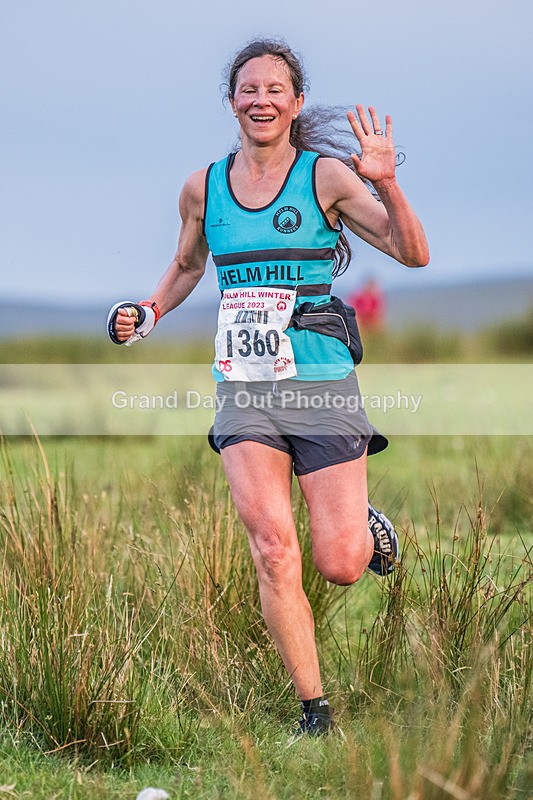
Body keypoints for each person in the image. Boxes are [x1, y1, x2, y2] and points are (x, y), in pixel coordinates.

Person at [107, 39, 429, 739]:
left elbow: (412, 253)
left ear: (295, 103)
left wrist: (385, 183)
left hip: (320, 380)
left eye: (274, 89)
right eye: (247, 89)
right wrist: (152, 309)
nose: (260, 100)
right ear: (232, 102)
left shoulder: (328, 177)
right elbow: (187, 263)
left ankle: (360, 520)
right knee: (272, 549)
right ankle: (313, 712)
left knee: (339, 564)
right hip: (242, 386)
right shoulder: (202, 186)